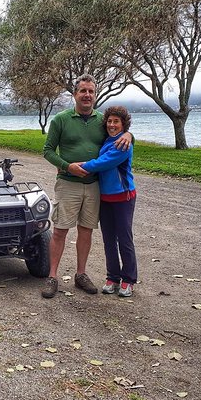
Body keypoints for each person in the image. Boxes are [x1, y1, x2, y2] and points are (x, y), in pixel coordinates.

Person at [41, 74, 132, 298]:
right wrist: (66, 166)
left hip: (93, 186)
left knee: (86, 230)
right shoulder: (61, 120)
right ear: (75, 95)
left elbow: (117, 135)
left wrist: (130, 134)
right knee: (60, 230)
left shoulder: (102, 121)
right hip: (68, 184)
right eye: (83, 91)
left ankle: (80, 274)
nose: (87, 95)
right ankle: (52, 277)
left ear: (95, 95)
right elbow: (48, 151)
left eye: (91, 91)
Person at [79, 106, 138, 297]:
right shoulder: (108, 140)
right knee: (108, 240)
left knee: (124, 239)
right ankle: (113, 277)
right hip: (105, 197)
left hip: (123, 196)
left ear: (123, 124)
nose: (112, 125)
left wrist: (81, 167)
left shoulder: (123, 143)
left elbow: (105, 162)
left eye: (116, 122)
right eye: (110, 121)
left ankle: (129, 280)